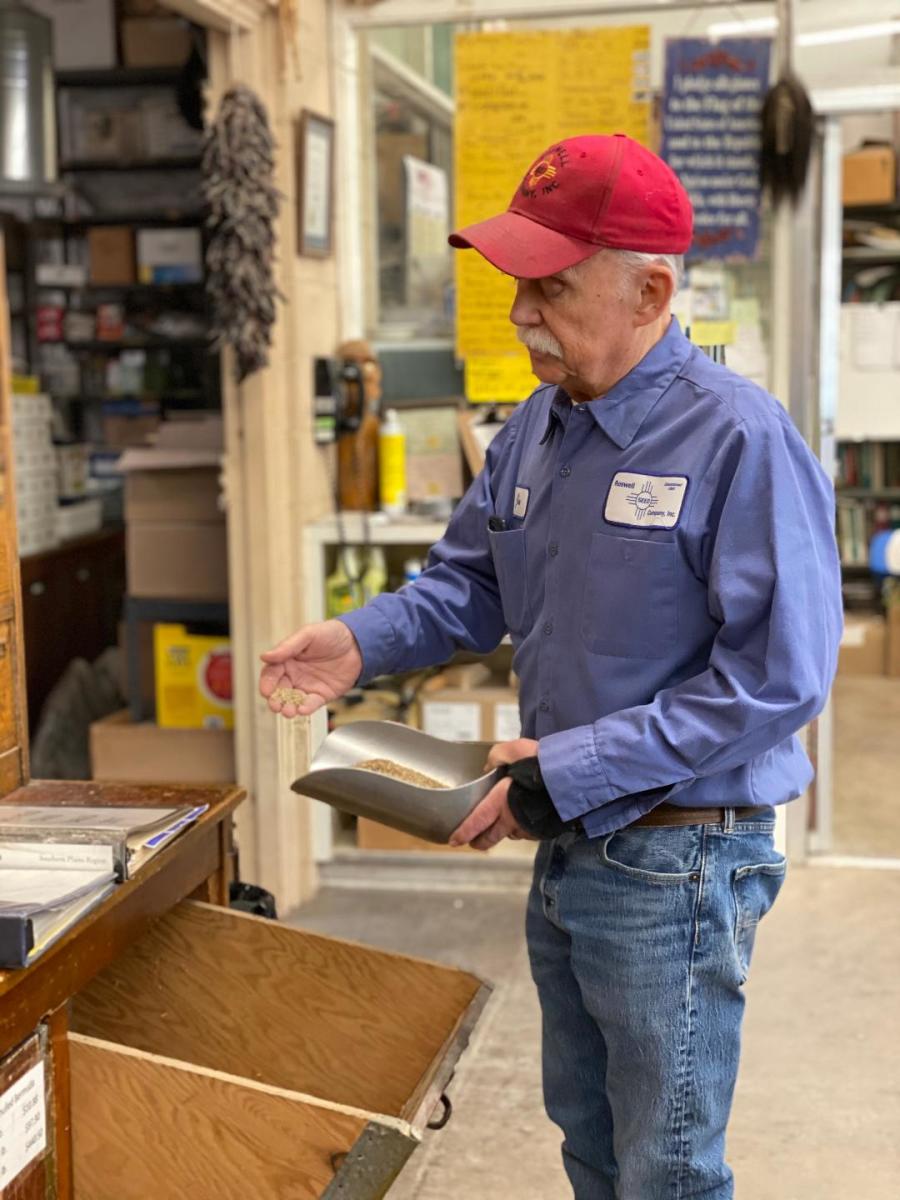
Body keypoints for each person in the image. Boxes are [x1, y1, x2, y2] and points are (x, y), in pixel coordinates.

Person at [260, 134, 843, 1200]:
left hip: (679, 862)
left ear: (651, 289)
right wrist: (359, 641)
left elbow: (777, 679)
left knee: (664, 1166)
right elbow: (465, 587)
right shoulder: (536, 429)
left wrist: (562, 769)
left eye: (553, 287)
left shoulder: (739, 441)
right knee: (586, 1140)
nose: (522, 313)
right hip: (571, 844)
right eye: (518, 284)